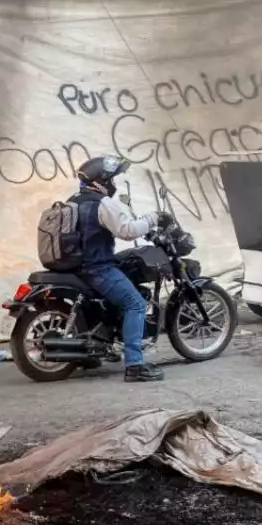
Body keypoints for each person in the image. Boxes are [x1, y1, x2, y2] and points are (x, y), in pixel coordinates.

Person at [71, 155, 171, 383]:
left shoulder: (75, 200)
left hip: (79, 267)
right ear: (101, 181)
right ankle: (135, 365)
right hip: (97, 268)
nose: (114, 184)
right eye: (111, 180)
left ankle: (96, 351)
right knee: (135, 303)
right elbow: (126, 230)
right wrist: (153, 218)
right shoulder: (102, 203)